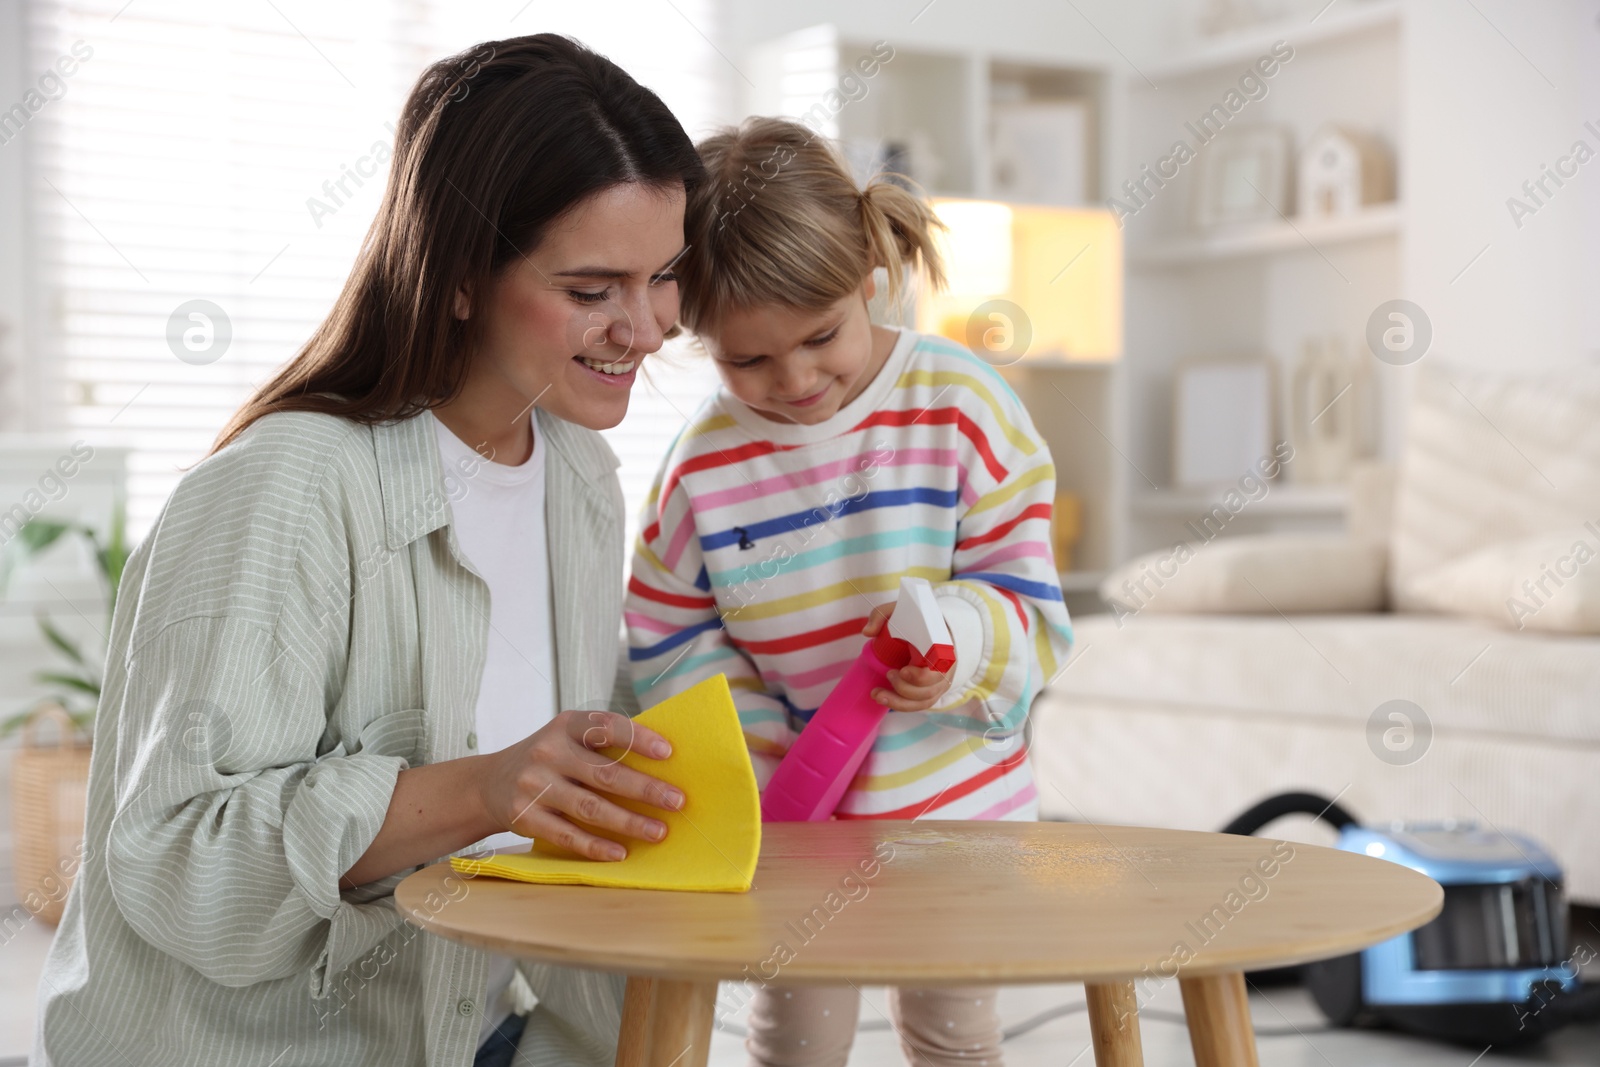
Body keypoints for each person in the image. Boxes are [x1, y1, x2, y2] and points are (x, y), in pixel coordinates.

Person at [34, 35, 702, 1067]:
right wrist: (483, 788)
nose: (647, 326)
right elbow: (173, 857)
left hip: (464, 1025)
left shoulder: (577, 474)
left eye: (663, 276)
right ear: (460, 276)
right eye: (591, 287)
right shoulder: (284, 488)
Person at [625, 116, 1075, 1067]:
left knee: (955, 1040)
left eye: (820, 336)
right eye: (745, 360)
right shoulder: (702, 464)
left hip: (955, 813)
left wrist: (950, 644)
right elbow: (667, 633)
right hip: (793, 819)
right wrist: (760, 747)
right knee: (793, 1044)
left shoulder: (962, 404)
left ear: (869, 266)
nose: (793, 380)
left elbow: (1028, 605)